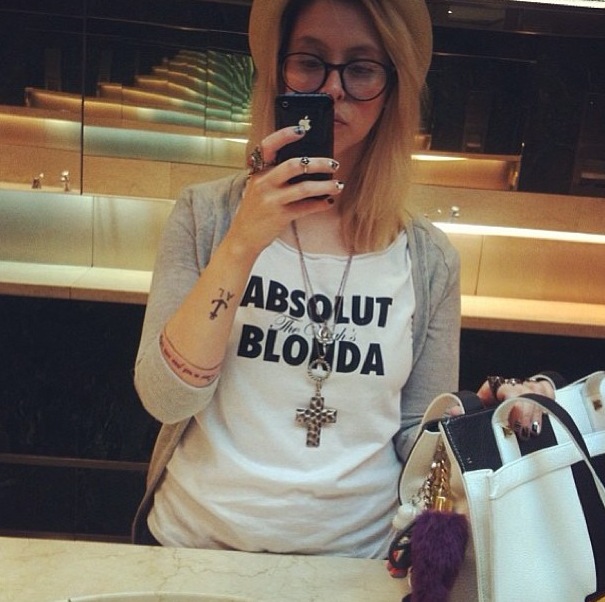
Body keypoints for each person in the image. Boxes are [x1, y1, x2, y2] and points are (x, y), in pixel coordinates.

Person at [131, 0, 549, 558]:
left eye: (361, 68)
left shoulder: (429, 260)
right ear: (278, 72)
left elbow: (415, 437)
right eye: (309, 62)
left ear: (392, 89)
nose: (333, 89)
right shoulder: (205, 217)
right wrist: (243, 242)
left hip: (355, 565)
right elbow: (165, 398)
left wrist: (482, 416)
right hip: (195, 550)